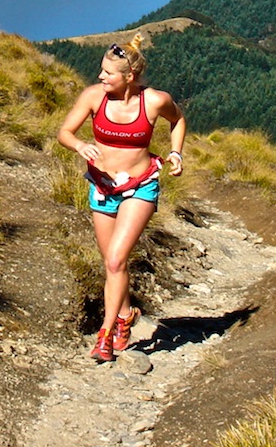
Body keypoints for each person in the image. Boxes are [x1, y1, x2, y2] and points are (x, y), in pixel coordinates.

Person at [56, 32, 186, 362]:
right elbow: (64, 132)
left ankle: (105, 334)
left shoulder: (155, 101)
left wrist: (176, 153)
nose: (100, 77)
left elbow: (179, 119)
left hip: (140, 186)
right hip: (101, 186)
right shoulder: (93, 97)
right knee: (111, 264)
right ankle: (125, 313)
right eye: (101, 71)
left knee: (115, 261)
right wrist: (79, 145)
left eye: (108, 73)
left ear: (129, 77)